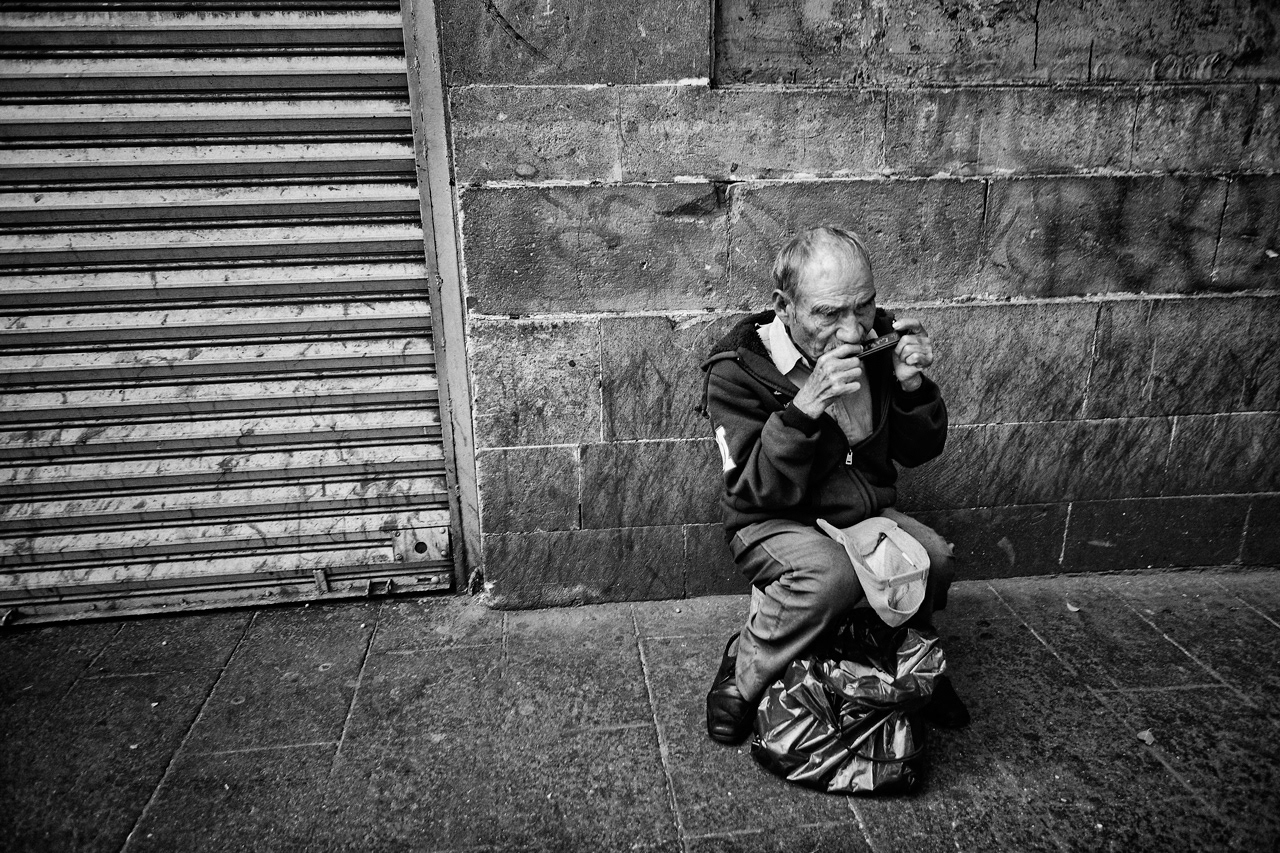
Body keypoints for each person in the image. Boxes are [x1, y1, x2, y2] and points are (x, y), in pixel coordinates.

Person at [700, 225, 969, 745]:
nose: (852, 331)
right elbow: (752, 492)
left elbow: (918, 451)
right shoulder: (738, 372)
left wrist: (913, 387)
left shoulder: (879, 342)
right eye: (829, 314)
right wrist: (804, 410)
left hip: (858, 511)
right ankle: (742, 674)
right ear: (784, 306)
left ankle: (912, 662)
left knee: (933, 559)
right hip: (770, 520)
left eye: (863, 307)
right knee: (831, 577)